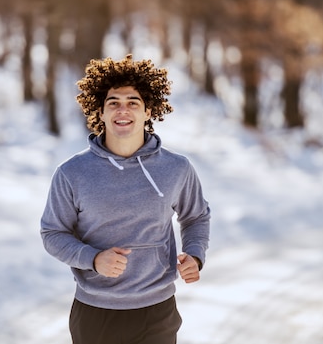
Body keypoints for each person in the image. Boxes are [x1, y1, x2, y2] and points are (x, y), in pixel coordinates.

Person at [40, 54, 211, 344]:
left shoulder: (176, 168)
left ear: (148, 111)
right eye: (114, 103)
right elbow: (53, 233)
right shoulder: (72, 173)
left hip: (157, 311)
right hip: (96, 312)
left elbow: (196, 217)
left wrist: (194, 254)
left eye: (133, 102)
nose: (123, 110)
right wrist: (93, 259)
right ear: (101, 112)